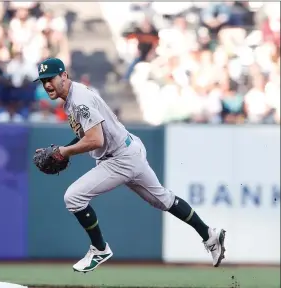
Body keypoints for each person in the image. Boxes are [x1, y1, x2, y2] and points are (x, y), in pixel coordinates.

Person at [33, 58, 226, 273]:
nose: (47, 84)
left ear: (64, 76)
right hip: (128, 149)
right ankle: (209, 234)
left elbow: (95, 140)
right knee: (163, 199)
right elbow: (88, 134)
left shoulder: (79, 100)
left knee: (73, 197)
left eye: (50, 78)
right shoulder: (74, 96)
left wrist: (64, 151)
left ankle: (99, 249)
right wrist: (66, 150)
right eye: (43, 81)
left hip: (119, 159)